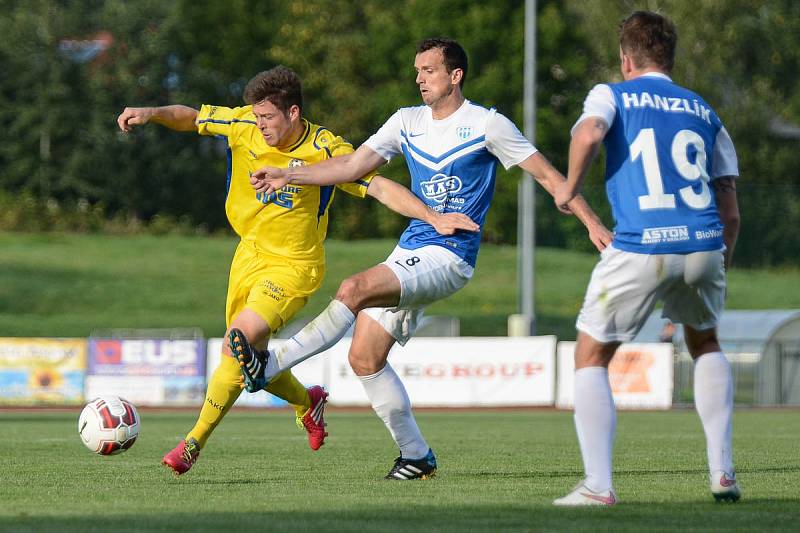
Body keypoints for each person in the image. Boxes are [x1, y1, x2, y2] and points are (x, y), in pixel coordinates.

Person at [231, 38, 612, 480]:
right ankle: (416, 456)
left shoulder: (488, 125)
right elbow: (352, 166)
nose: (419, 79)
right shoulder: (406, 121)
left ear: (456, 76)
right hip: (412, 249)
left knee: (354, 288)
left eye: (429, 70)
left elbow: (550, 177)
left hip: (451, 254)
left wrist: (591, 223)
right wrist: (288, 172)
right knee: (365, 358)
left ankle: (271, 364)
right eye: (417, 70)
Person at [116, 65, 477, 475]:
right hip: (248, 256)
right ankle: (308, 401)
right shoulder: (243, 124)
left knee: (239, 343)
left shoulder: (325, 148)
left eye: (267, 117)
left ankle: (191, 444)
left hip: (294, 266)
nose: (260, 125)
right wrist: (151, 112)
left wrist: (432, 217)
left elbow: (376, 185)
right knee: (243, 356)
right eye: (256, 116)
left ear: (292, 113)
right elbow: (192, 116)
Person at [552, 11, 741, 505]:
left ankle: (598, 486)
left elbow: (589, 134)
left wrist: (569, 189)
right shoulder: (706, 111)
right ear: (670, 58)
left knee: (591, 356)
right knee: (705, 343)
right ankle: (722, 473)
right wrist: (718, 263)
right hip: (704, 243)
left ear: (626, 58)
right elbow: (731, 211)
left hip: (641, 243)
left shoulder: (611, 94)